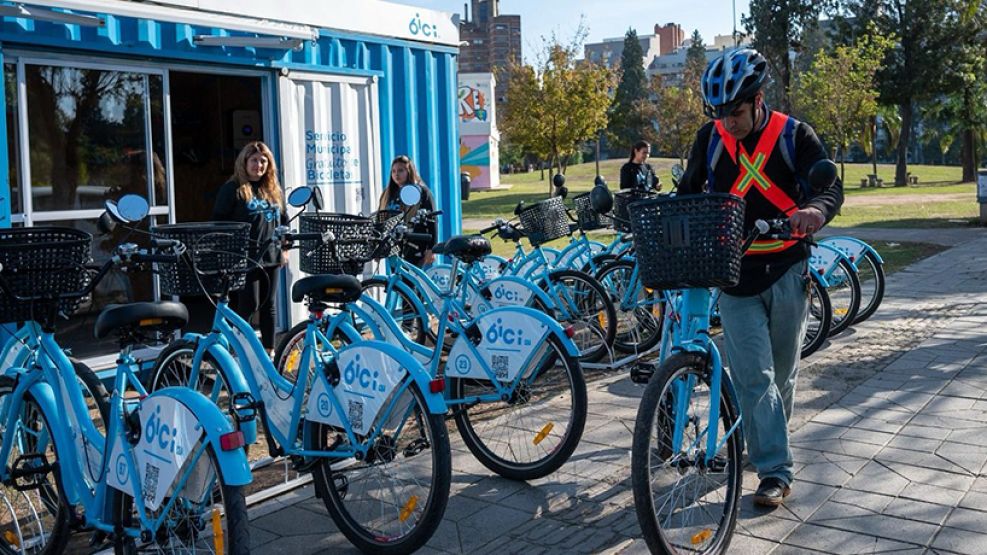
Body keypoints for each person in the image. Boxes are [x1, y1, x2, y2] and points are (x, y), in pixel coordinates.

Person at [678, 48, 844, 507]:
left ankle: (766, 445)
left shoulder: (794, 135)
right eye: (719, 114)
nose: (727, 123)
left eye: (735, 112)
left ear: (758, 100)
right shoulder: (709, 140)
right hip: (735, 277)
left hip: (788, 270)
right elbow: (688, 194)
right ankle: (775, 471)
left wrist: (814, 209)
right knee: (755, 376)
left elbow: (829, 186)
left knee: (783, 376)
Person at [213, 141, 287, 356]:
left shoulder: (273, 190)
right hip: (245, 258)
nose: (259, 165)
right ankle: (240, 351)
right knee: (248, 304)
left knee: (269, 305)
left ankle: (269, 351)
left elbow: (283, 222)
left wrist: (285, 249)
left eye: (263, 161)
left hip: (271, 255)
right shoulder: (233, 189)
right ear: (244, 162)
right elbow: (218, 221)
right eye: (254, 160)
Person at [377, 155, 437, 267]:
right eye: (393, 171)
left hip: (415, 245)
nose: (396, 174)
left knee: (408, 281)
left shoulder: (422, 192)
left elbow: (432, 220)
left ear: (409, 171)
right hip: (393, 245)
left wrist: (431, 249)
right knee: (395, 281)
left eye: (401, 170)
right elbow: (380, 219)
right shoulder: (387, 194)